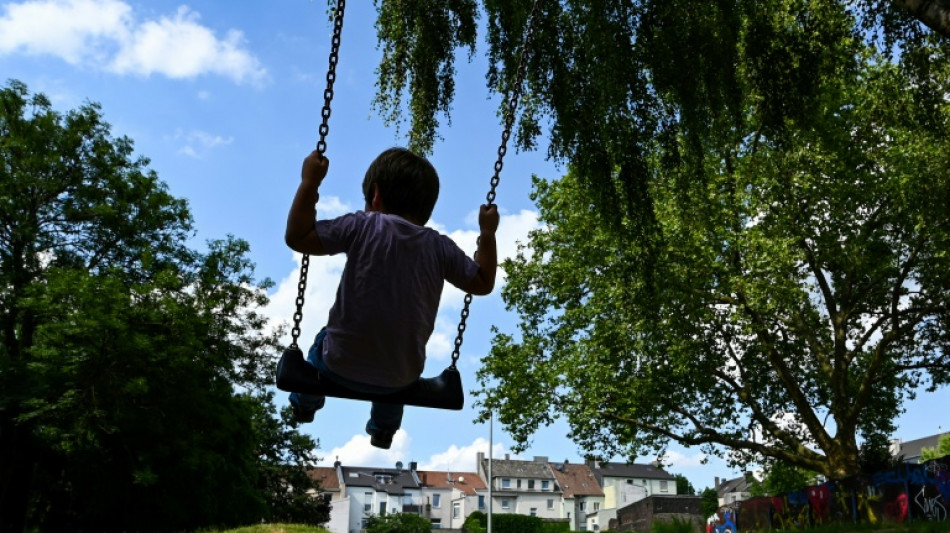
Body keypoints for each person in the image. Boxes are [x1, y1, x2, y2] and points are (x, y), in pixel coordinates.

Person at [284, 147, 499, 449]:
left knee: (322, 341)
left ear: (375, 196)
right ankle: (383, 429)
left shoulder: (362, 225)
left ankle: (304, 402)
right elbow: (483, 282)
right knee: (395, 380)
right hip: (400, 376)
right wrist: (487, 233)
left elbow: (298, 236)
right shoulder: (440, 247)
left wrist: (310, 182)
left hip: (339, 363)